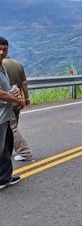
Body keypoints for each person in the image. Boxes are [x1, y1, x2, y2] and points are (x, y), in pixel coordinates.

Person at [0, 37, 25, 190]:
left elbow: (5, 91)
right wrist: (17, 101)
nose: (2, 52)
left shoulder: (2, 67)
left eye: (5, 49)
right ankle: (2, 179)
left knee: (6, 147)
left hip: (5, 115)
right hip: (0, 117)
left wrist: (12, 91)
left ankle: (5, 177)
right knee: (2, 148)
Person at [3, 58, 33, 161]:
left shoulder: (2, 64)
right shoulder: (18, 64)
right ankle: (7, 150)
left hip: (6, 101)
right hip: (17, 100)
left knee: (11, 128)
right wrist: (26, 98)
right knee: (10, 128)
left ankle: (25, 152)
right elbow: (24, 83)